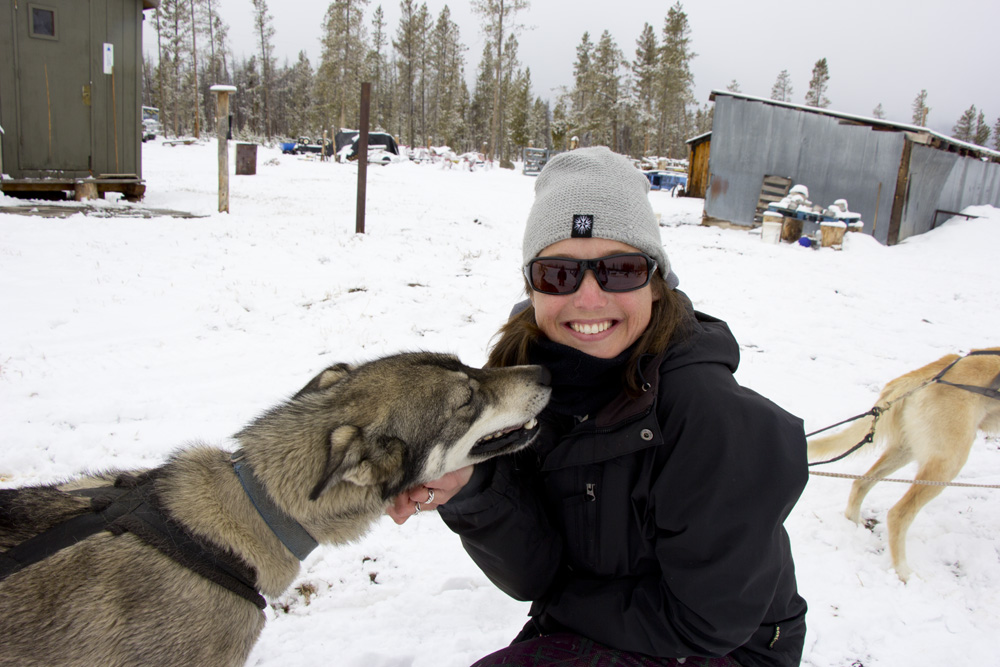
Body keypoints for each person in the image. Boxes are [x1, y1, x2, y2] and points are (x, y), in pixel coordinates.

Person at [389, 146, 808, 667]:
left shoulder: (710, 417)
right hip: (606, 620)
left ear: (656, 284)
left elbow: (705, 622)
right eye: (559, 274)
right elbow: (532, 576)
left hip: (727, 649)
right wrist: (473, 488)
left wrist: (561, 603)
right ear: (532, 287)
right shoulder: (523, 391)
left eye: (621, 269)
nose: (588, 299)